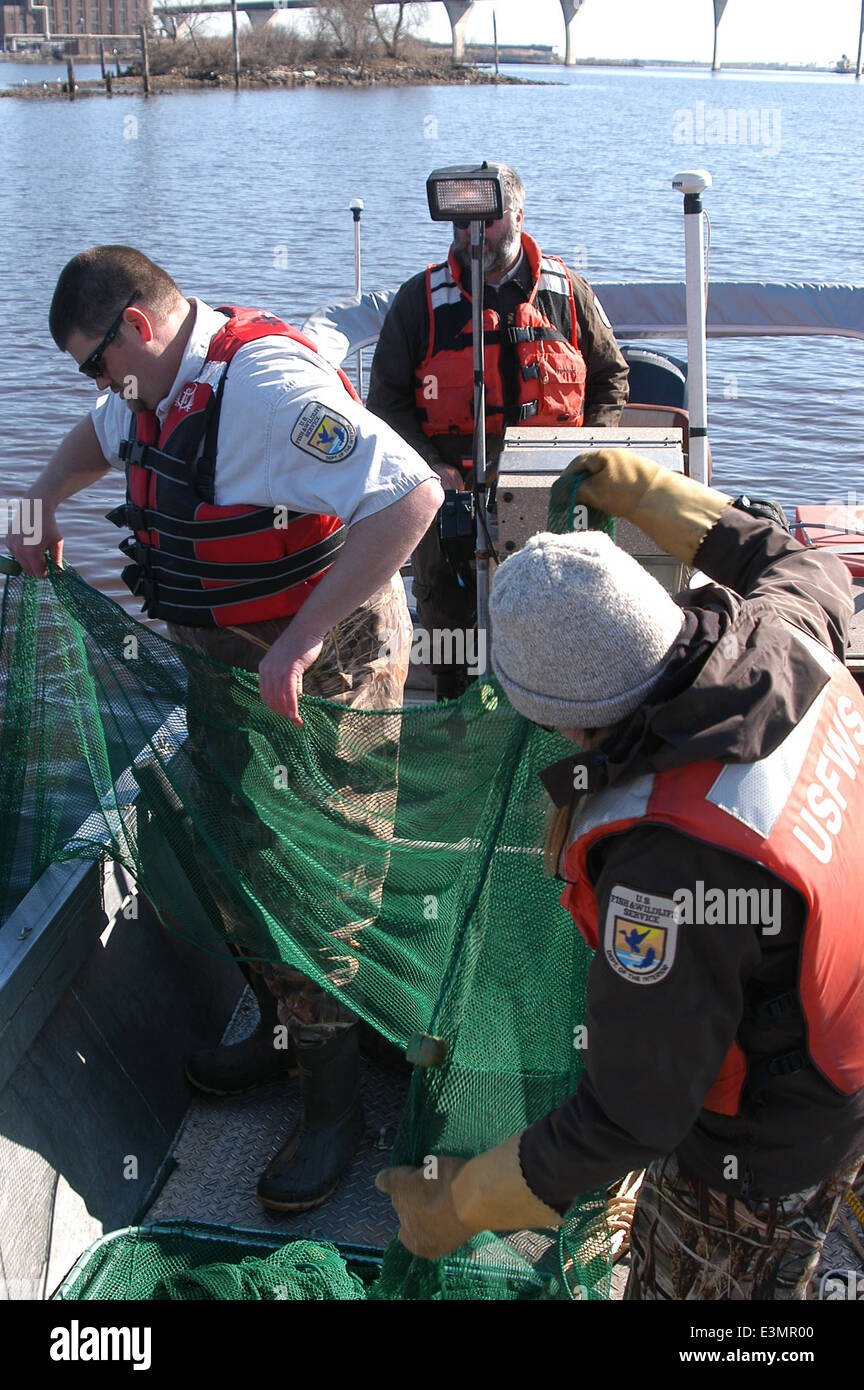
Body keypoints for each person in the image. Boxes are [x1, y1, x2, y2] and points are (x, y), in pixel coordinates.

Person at [6, 245, 443, 1213]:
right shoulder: (154, 381)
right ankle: (285, 1035)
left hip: (325, 659)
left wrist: (299, 642)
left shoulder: (266, 392)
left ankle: (335, 1110)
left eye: (91, 360)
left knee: (319, 870)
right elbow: (98, 431)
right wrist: (36, 500)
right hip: (226, 659)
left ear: (136, 326)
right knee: (242, 843)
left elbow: (413, 495)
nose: (93, 383)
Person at [376, 451, 864, 1300]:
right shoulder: (779, 638)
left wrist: (456, 1205)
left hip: (776, 1130)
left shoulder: (665, 866)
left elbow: (633, 1117)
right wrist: (643, 491)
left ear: (557, 720)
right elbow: (795, 561)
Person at [366, 163, 630, 699]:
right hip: (452, 490)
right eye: (461, 224)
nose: (472, 235)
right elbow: (386, 401)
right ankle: (456, 718)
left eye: (485, 221)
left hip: (550, 487)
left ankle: (549, 708)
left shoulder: (568, 292)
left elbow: (611, 377)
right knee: (448, 620)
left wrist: (587, 451)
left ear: (517, 216)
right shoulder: (419, 301)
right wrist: (429, 465)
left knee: (556, 608)